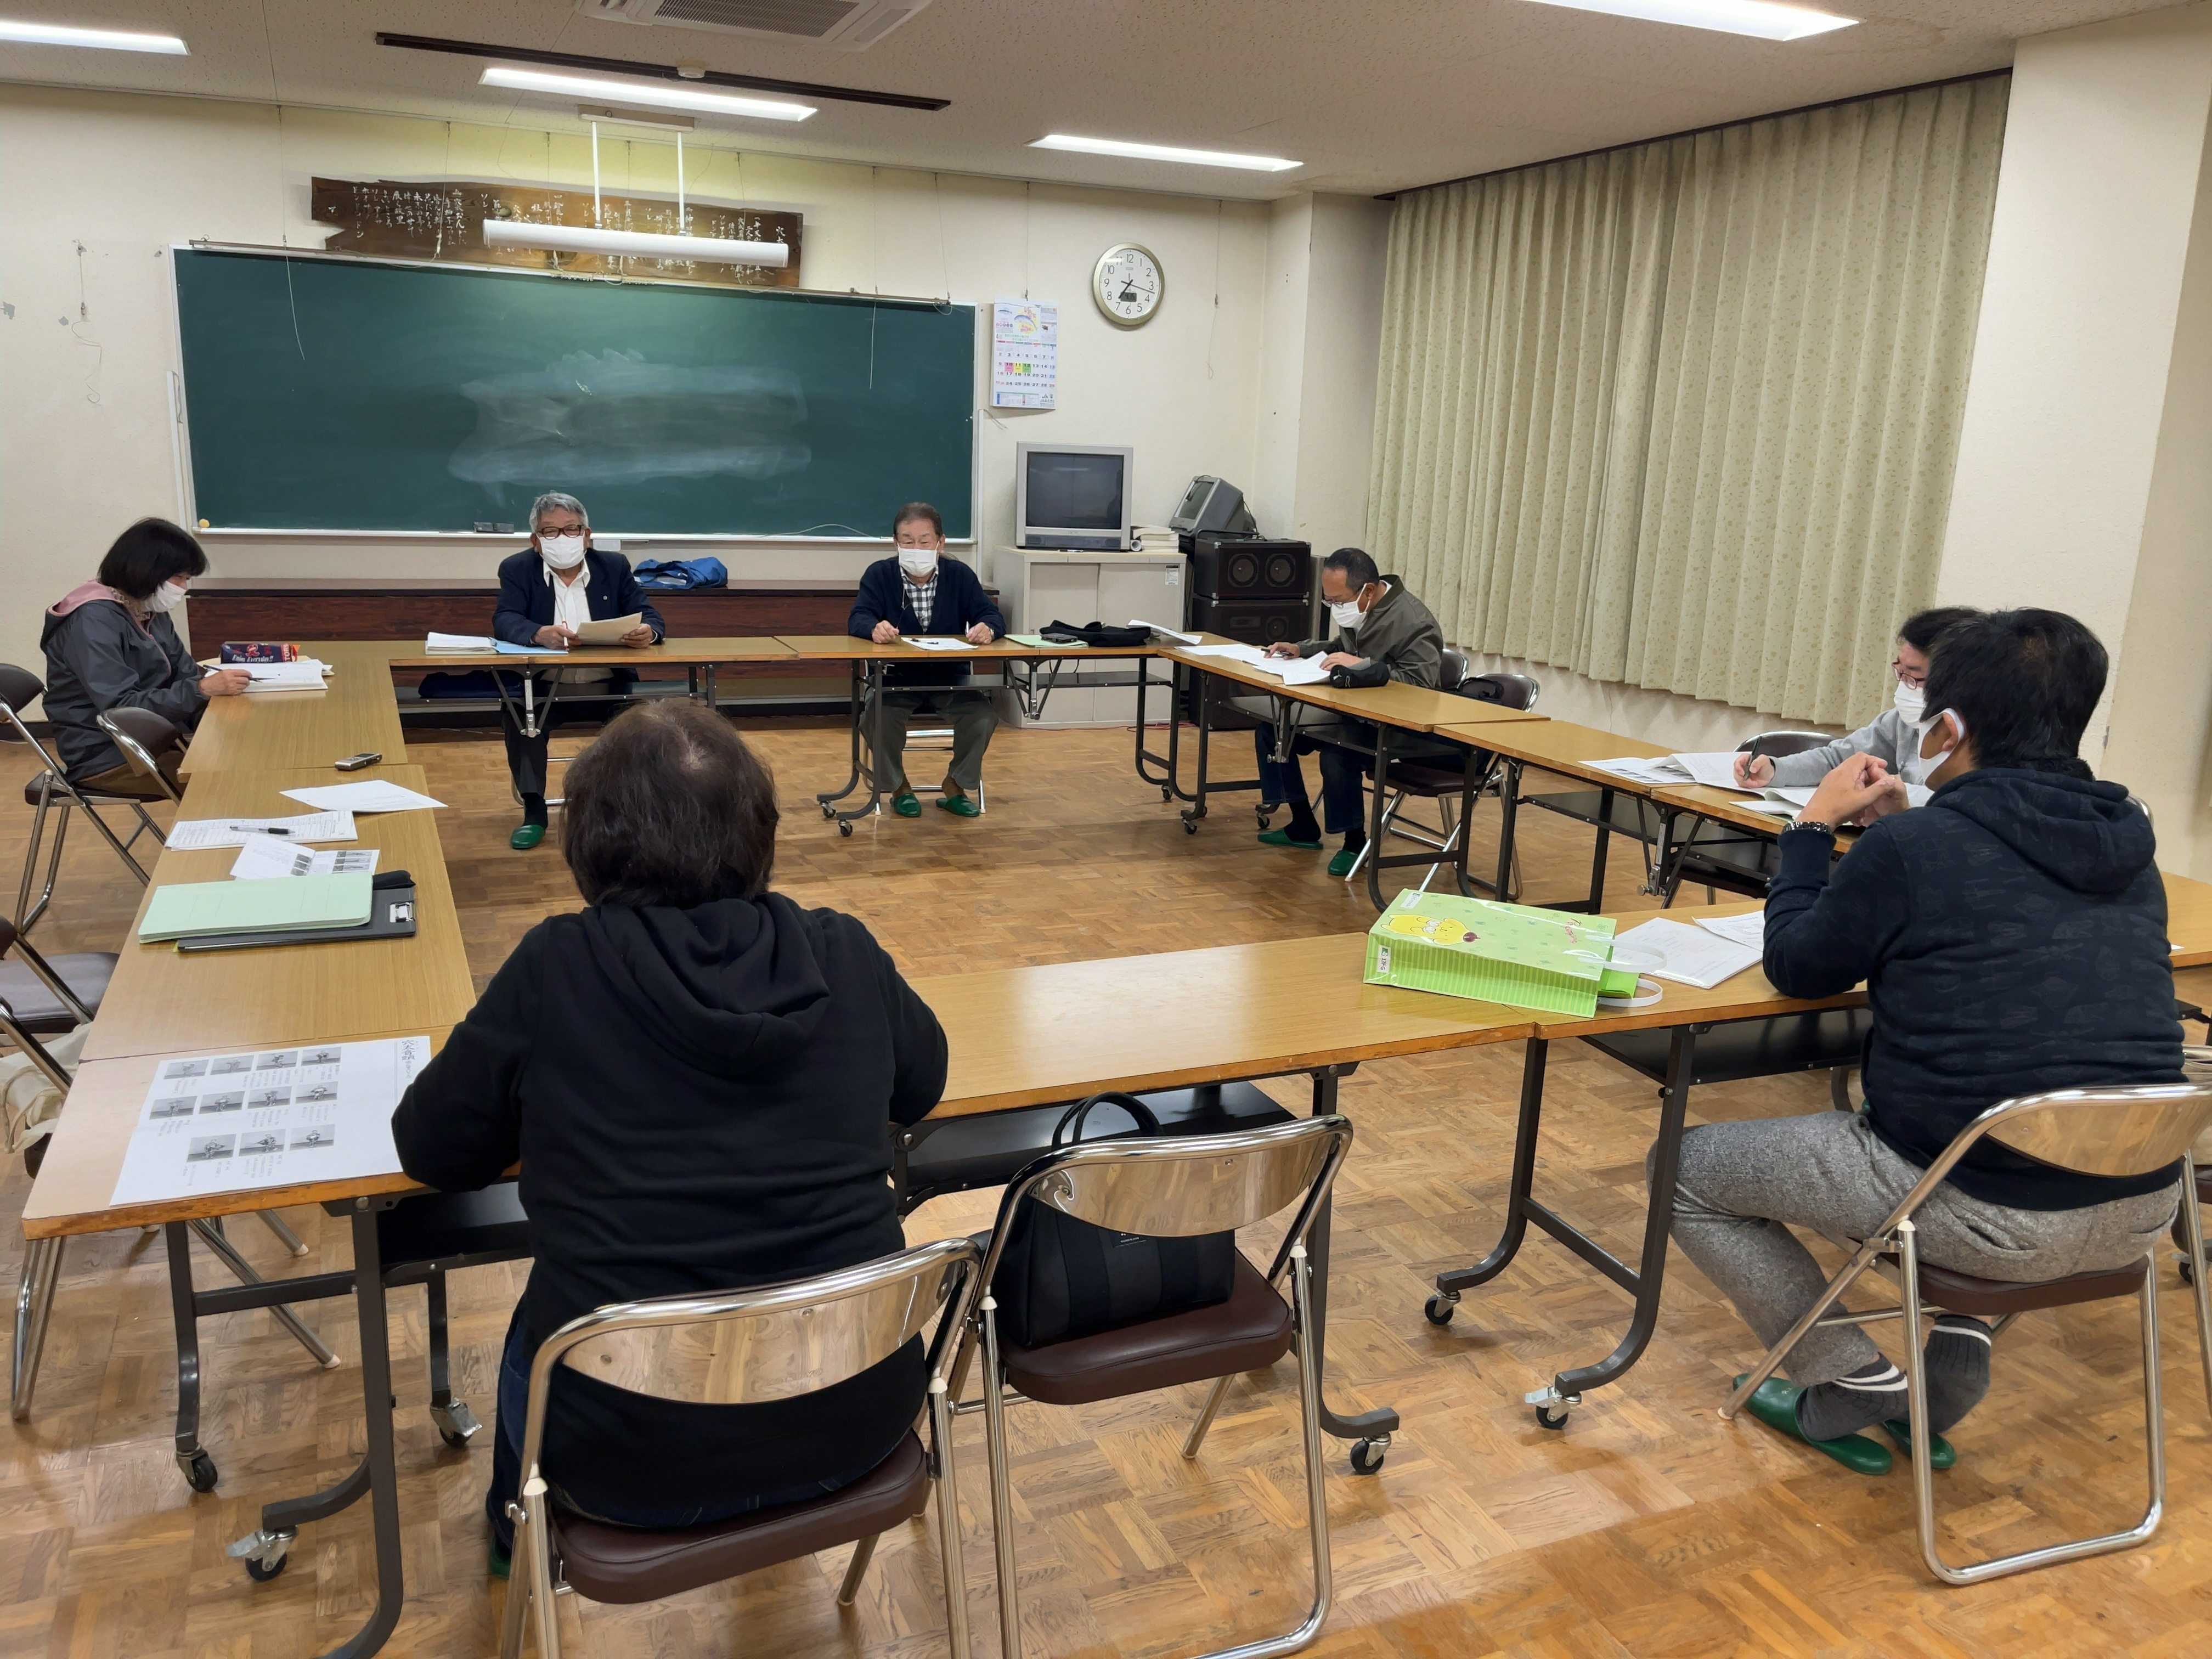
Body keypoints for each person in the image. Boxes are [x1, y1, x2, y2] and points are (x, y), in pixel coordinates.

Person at [389, 698, 947, 1572]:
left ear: (590, 842)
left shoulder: (556, 966)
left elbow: (432, 1151)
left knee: (537, 1321)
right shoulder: (841, 951)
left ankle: (515, 1535)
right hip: (860, 1417)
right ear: (761, 832)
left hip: (628, 1459)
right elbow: (924, 1085)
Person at [1664, 608, 2183, 1474]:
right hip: (2139, 1202)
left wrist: (1808, 830)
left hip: (1986, 1205)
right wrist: (1905, 832)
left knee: (1682, 1174)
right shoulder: (2132, 847)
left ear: (1947, 729)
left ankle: (1848, 1374)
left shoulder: (1914, 846)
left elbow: (1798, 966)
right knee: (2000, 1117)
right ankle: (1964, 1336)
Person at [1251, 547, 1444, 876]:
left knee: (1336, 752)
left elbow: (1421, 685)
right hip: (1355, 711)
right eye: (1330, 602)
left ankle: (1355, 842)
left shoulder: (1414, 620)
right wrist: (1302, 649)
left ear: (1368, 590)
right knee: (1273, 731)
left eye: (1338, 601)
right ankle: (1302, 823)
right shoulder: (1360, 609)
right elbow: (1342, 649)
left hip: (1398, 726)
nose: (1335, 608)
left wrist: (1365, 666)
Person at [491, 493, 663, 850]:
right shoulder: (517, 569)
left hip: (610, 685)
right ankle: (535, 811)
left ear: (587, 535)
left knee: (647, 725)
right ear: (535, 541)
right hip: (546, 686)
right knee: (519, 719)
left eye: (571, 530)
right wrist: (538, 634)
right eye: (550, 532)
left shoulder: (613, 567)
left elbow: (650, 615)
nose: (563, 539)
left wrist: (649, 631)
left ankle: (627, 811)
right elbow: (505, 620)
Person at [39, 518, 249, 798]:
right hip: (108, 756)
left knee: (248, 751)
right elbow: (122, 709)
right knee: (231, 779)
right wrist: (201, 690)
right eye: (180, 578)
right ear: (149, 571)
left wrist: (210, 688)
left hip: (156, 739)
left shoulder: (147, 608)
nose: (184, 587)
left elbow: (184, 671)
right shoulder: (91, 622)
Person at [847, 501, 1005, 819]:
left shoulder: (959, 575)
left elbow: (991, 614)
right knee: (877, 717)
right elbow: (858, 617)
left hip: (951, 680)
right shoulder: (880, 575)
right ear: (896, 542)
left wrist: (987, 628)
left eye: (924, 540)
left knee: (983, 716)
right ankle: (899, 787)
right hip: (895, 680)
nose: (916, 547)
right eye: (907, 541)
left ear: (940, 542)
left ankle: (956, 784)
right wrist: (873, 628)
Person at [1733, 605, 1978, 791]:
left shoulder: (1990, 741)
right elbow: (1837, 760)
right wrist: (1776, 770)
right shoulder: (1903, 723)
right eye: (1899, 671)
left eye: (1913, 676)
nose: (1904, 686)